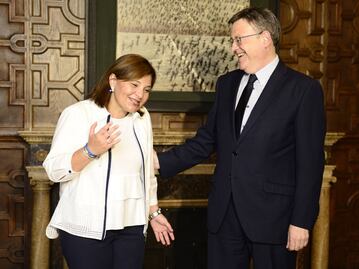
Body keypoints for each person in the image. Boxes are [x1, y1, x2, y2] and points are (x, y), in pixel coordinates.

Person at [154, 7, 326, 269]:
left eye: (239, 39)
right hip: (225, 216)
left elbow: (310, 164)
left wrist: (301, 221)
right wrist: (157, 162)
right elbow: (206, 141)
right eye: (232, 41)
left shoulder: (303, 90)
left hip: (275, 219)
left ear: (265, 38)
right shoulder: (227, 84)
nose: (233, 48)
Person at [43, 54, 175, 269]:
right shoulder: (78, 114)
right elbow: (53, 171)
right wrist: (90, 150)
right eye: (134, 84)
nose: (140, 94)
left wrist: (153, 212)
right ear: (113, 81)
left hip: (131, 226)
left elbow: (146, 173)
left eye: (147, 89)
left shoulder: (142, 118)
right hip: (85, 228)